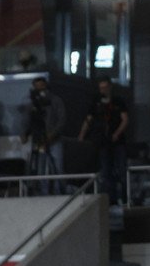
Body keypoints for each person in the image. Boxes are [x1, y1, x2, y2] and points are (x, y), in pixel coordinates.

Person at [78, 77, 130, 205]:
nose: (103, 90)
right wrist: (81, 135)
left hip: (118, 142)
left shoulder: (118, 101)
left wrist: (117, 133)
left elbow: (125, 119)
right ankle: (111, 198)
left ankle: (125, 197)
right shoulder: (96, 103)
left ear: (110, 87)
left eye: (105, 87)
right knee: (106, 171)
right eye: (101, 88)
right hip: (103, 141)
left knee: (122, 170)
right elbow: (88, 120)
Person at [22, 77, 66, 194]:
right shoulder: (33, 105)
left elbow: (61, 120)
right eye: (37, 86)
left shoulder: (55, 101)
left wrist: (51, 135)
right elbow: (29, 122)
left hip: (54, 140)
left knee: (57, 168)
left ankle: (58, 192)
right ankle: (42, 192)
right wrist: (26, 134)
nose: (39, 89)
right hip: (39, 141)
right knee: (40, 169)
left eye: (41, 85)